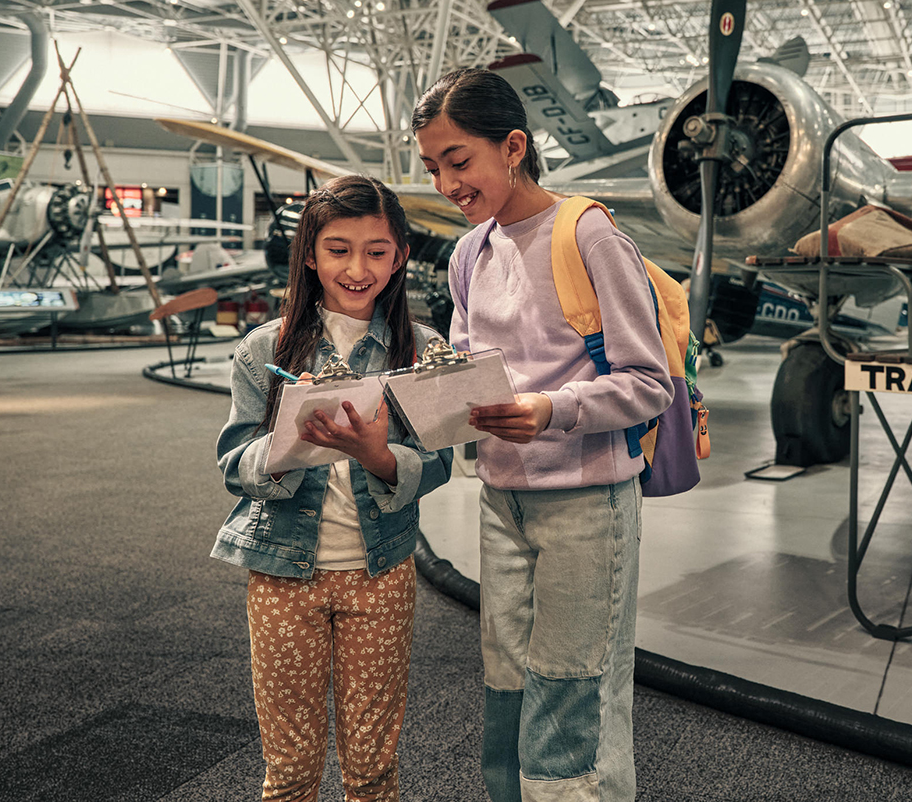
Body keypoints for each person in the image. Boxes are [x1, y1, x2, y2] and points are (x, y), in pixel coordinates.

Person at [412, 68, 675, 802]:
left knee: (574, 681)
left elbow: (648, 382)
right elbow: (467, 368)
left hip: (588, 505)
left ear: (514, 147)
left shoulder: (587, 232)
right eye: (433, 167)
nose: (444, 184)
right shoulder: (471, 253)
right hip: (501, 501)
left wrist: (549, 410)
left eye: (458, 162)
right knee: (507, 678)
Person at [213, 174, 454, 802]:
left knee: (372, 770)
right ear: (311, 254)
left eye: (377, 251)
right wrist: (287, 447)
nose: (357, 267)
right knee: (289, 771)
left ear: (400, 256)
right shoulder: (263, 348)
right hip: (282, 576)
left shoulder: (422, 349)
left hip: (381, 574)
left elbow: (442, 462)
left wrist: (378, 456)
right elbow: (232, 461)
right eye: (338, 249)